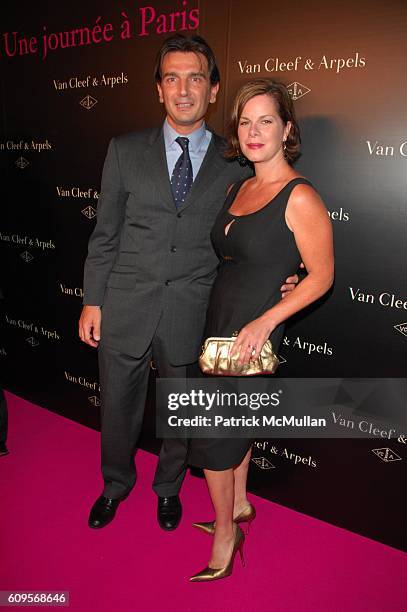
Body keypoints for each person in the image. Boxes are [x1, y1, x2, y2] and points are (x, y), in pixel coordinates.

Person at [79, 36, 298, 532]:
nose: (184, 89)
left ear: (213, 89)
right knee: (117, 408)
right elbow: (105, 232)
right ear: (158, 90)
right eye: (172, 77)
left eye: (195, 77)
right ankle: (114, 485)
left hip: (194, 308)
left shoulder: (238, 162)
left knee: (180, 413)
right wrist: (93, 300)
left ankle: (168, 489)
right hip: (126, 302)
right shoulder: (124, 150)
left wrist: (285, 275)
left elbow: (263, 226)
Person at [188, 79, 334, 582]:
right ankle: (243, 503)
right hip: (222, 322)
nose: (254, 131)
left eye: (266, 120)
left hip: (253, 332)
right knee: (231, 430)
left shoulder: (300, 196)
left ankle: (227, 535)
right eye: (245, 121)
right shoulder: (240, 185)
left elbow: (322, 275)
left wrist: (269, 319)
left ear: (286, 128)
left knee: (212, 437)